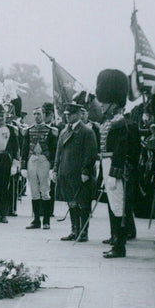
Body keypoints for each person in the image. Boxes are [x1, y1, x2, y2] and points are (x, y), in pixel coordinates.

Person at [95, 69, 137, 258]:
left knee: (118, 206)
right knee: (113, 205)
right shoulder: (109, 121)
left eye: (104, 102)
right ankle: (115, 239)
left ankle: (120, 245)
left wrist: (114, 172)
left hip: (115, 167)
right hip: (107, 164)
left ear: (114, 103)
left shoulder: (120, 123)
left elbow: (121, 149)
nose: (101, 106)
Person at [53, 102, 98, 241]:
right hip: (65, 173)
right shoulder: (64, 131)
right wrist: (55, 169)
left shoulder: (87, 131)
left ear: (78, 114)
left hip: (79, 174)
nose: (67, 117)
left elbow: (90, 153)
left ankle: (83, 232)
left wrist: (86, 171)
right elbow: (58, 152)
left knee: (83, 203)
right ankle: (74, 230)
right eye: (66, 115)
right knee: (71, 202)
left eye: (70, 114)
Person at [21, 106, 58, 230]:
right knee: (34, 191)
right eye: (35, 114)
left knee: (45, 189)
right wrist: (23, 166)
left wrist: (53, 167)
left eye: (39, 114)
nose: (37, 116)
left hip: (44, 160)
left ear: (44, 114)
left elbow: (53, 150)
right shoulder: (29, 130)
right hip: (32, 160)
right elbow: (24, 149)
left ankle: (46, 220)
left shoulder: (50, 131)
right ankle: (36, 220)